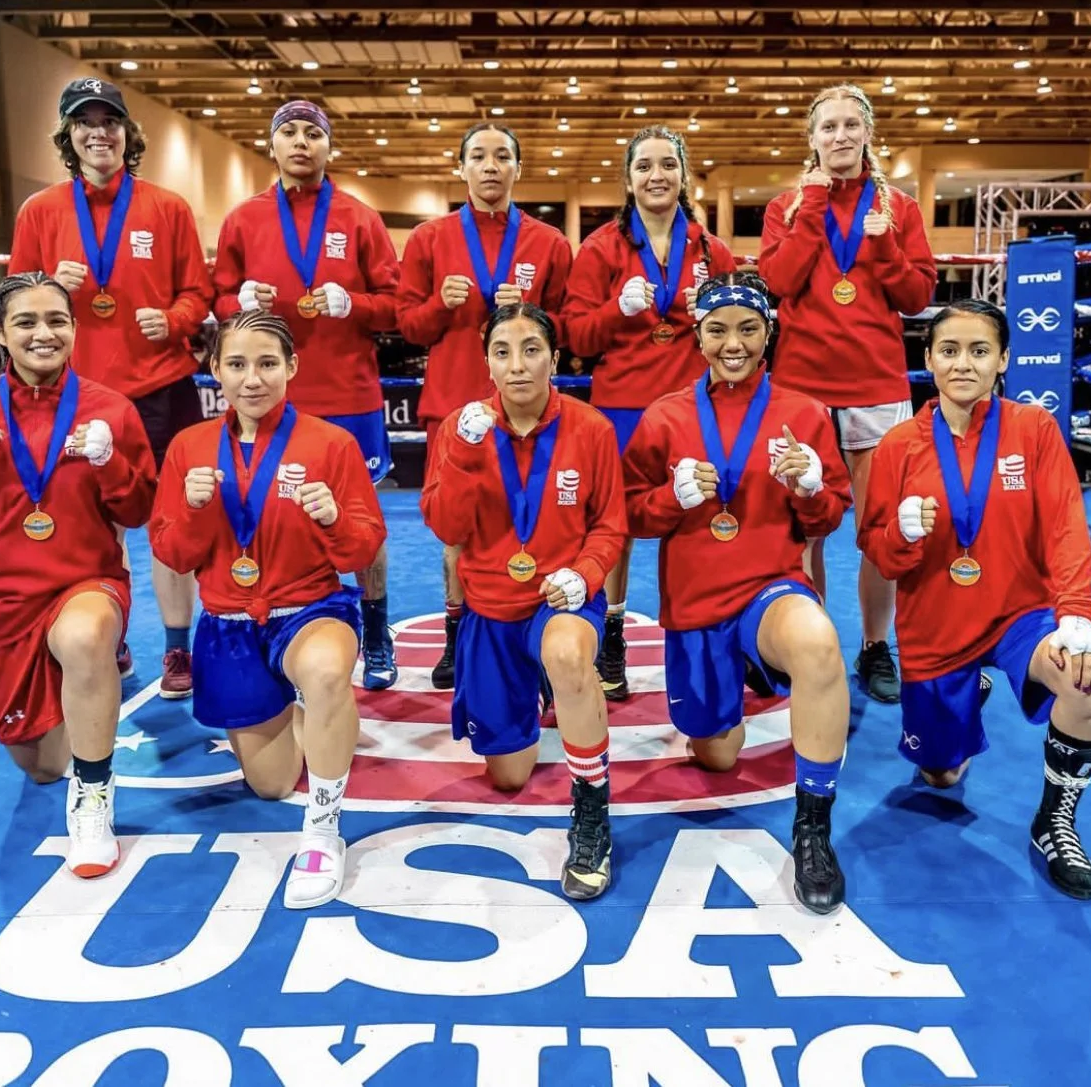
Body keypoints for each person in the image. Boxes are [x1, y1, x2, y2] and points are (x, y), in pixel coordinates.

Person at [859, 300, 1091, 900]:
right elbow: (875, 548)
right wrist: (902, 534)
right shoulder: (898, 446)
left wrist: (1076, 614)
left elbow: (1066, 527)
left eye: (979, 351)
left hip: (1020, 615)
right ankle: (968, 689)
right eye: (949, 351)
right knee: (940, 774)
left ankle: (1055, 822)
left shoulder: (1033, 430)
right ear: (927, 360)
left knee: (1087, 680)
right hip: (935, 623)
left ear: (1002, 359)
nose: (963, 364)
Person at [0, 272, 157, 878]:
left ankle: (94, 800)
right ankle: (88, 698)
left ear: (74, 328)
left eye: (57, 320)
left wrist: (110, 462)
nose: (44, 334)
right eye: (26, 322)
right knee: (44, 764)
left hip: (85, 582)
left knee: (85, 637)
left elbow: (139, 511)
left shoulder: (110, 409)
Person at [622, 274, 854, 913]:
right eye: (719, 329)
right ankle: (741, 677)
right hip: (695, 604)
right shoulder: (666, 415)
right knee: (717, 755)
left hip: (768, 588)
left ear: (768, 333)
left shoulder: (804, 413)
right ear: (698, 336)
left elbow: (829, 516)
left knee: (817, 644)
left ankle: (813, 827)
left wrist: (810, 486)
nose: (734, 343)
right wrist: (674, 498)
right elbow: (630, 514)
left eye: (748, 328)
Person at [149, 310, 385, 909]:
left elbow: (364, 545)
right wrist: (196, 508)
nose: (252, 378)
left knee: (330, 673)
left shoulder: (331, 444)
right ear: (215, 371)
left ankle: (325, 830)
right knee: (274, 783)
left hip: (310, 607)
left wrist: (333, 517)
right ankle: (320, 721)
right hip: (229, 624)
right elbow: (172, 552)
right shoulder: (189, 447)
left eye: (267, 364)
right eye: (236, 364)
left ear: (291, 368)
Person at [10, 78, 215, 701]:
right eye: (84, 122)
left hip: (159, 387)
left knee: (169, 518)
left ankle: (178, 647)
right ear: (68, 137)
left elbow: (198, 294)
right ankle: (110, 633)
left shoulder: (167, 206)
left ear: (128, 133)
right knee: (93, 524)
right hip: (75, 396)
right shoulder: (41, 211)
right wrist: (49, 287)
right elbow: (15, 303)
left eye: (110, 120)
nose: (98, 131)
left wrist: (175, 320)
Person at [420, 304, 626, 900]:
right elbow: (444, 526)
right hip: (489, 606)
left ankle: (592, 813)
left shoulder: (592, 429)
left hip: (560, 601)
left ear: (555, 359)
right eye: (503, 351)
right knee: (509, 774)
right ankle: (533, 691)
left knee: (566, 654)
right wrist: (461, 455)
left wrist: (584, 575)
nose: (517, 365)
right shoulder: (460, 429)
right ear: (486, 360)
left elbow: (609, 527)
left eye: (531, 349)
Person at [213, 100, 402, 690]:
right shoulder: (243, 219)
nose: (301, 142)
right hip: (264, 395)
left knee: (362, 522)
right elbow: (215, 302)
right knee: (265, 511)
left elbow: (397, 307)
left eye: (312, 133)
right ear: (272, 144)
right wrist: (240, 300)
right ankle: (271, 623)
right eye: (289, 132)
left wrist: (358, 304)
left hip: (348, 392)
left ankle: (374, 629)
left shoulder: (360, 217)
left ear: (328, 146)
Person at [759, 83, 936, 704]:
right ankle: (810, 641)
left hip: (875, 384)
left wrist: (885, 242)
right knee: (801, 525)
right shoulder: (786, 206)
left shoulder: (901, 208)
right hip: (801, 391)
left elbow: (916, 298)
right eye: (827, 127)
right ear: (811, 139)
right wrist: (810, 206)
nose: (839, 136)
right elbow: (780, 280)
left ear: (868, 135)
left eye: (849, 125)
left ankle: (873, 645)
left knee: (880, 524)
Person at [397, 122, 573, 691]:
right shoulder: (428, 238)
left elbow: (568, 328)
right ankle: (457, 634)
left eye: (502, 156)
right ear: (462, 167)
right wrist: (438, 306)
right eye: (478, 156)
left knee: (534, 522)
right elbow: (407, 326)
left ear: (518, 169)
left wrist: (535, 312)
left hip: (530, 407)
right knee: (457, 532)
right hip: (454, 401)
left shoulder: (548, 243)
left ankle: (534, 629)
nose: (490, 166)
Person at [564, 125, 735, 702]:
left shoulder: (713, 251)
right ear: (628, 178)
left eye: (668, 165)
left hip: (694, 408)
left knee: (695, 518)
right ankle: (610, 630)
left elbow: (740, 340)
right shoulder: (599, 249)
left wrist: (709, 315)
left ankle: (708, 626)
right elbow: (577, 336)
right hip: (621, 406)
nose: (656, 175)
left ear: (684, 175)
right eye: (644, 166)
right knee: (615, 524)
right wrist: (617, 310)